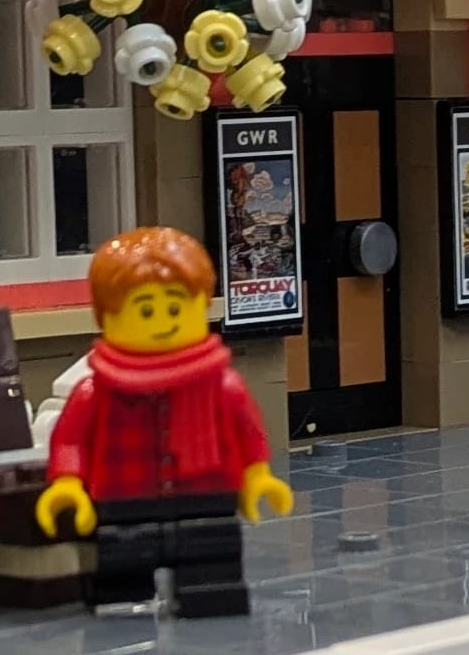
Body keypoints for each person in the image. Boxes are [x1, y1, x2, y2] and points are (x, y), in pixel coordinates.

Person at [34, 228, 293, 616]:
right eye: (144, 310)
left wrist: (257, 476)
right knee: (122, 582)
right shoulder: (96, 391)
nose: (162, 322)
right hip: (122, 502)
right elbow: (70, 440)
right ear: (107, 315)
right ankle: (124, 598)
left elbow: (247, 431)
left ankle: (205, 593)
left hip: (206, 498)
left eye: (175, 308)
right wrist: (67, 482)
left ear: (201, 304)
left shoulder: (221, 386)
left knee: (211, 575)